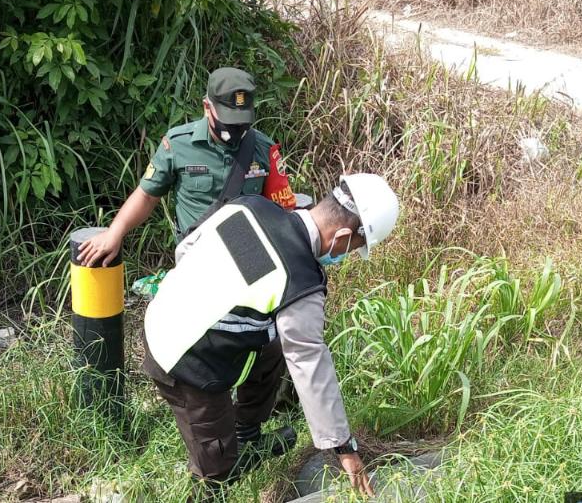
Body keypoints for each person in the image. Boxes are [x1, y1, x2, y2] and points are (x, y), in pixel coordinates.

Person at [141, 173, 400, 500]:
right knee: (218, 469)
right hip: (181, 359)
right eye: (353, 249)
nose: (345, 257)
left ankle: (246, 433)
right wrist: (343, 448)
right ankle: (220, 464)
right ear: (344, 235)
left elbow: (188, 247)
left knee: (276, 342)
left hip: (162, 313)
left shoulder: (250, 208)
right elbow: (310, 365)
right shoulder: (300, 280)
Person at [76, 67, 294, 268]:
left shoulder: (263, 148)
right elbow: (147, 196)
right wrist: (115, 232)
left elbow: (283, 212)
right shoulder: (179, 145)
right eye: (229, 120)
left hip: (248, 261)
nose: (236, 128)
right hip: (197, 261)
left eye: (241, 121)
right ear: (207, 107)